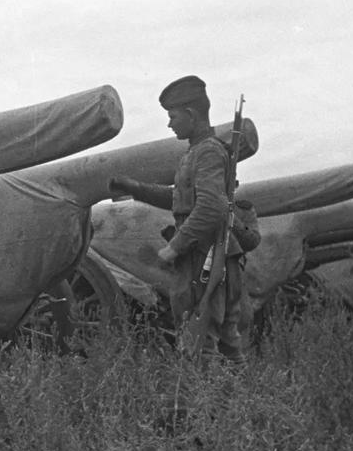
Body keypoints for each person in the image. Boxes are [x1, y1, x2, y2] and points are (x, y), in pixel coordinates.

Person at [107, 75, 257, 362]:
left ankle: (203, 406)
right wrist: (134, 188)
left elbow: (212, 207)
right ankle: (233, 404)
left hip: (204, 258)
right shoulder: (199, 152)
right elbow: (182, 201)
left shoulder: (208, 153)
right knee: (225, 345)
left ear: (190, 114)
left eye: (172, 116)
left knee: (199, 346)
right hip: (212, 254)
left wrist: (175, 246)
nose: (169, 124)